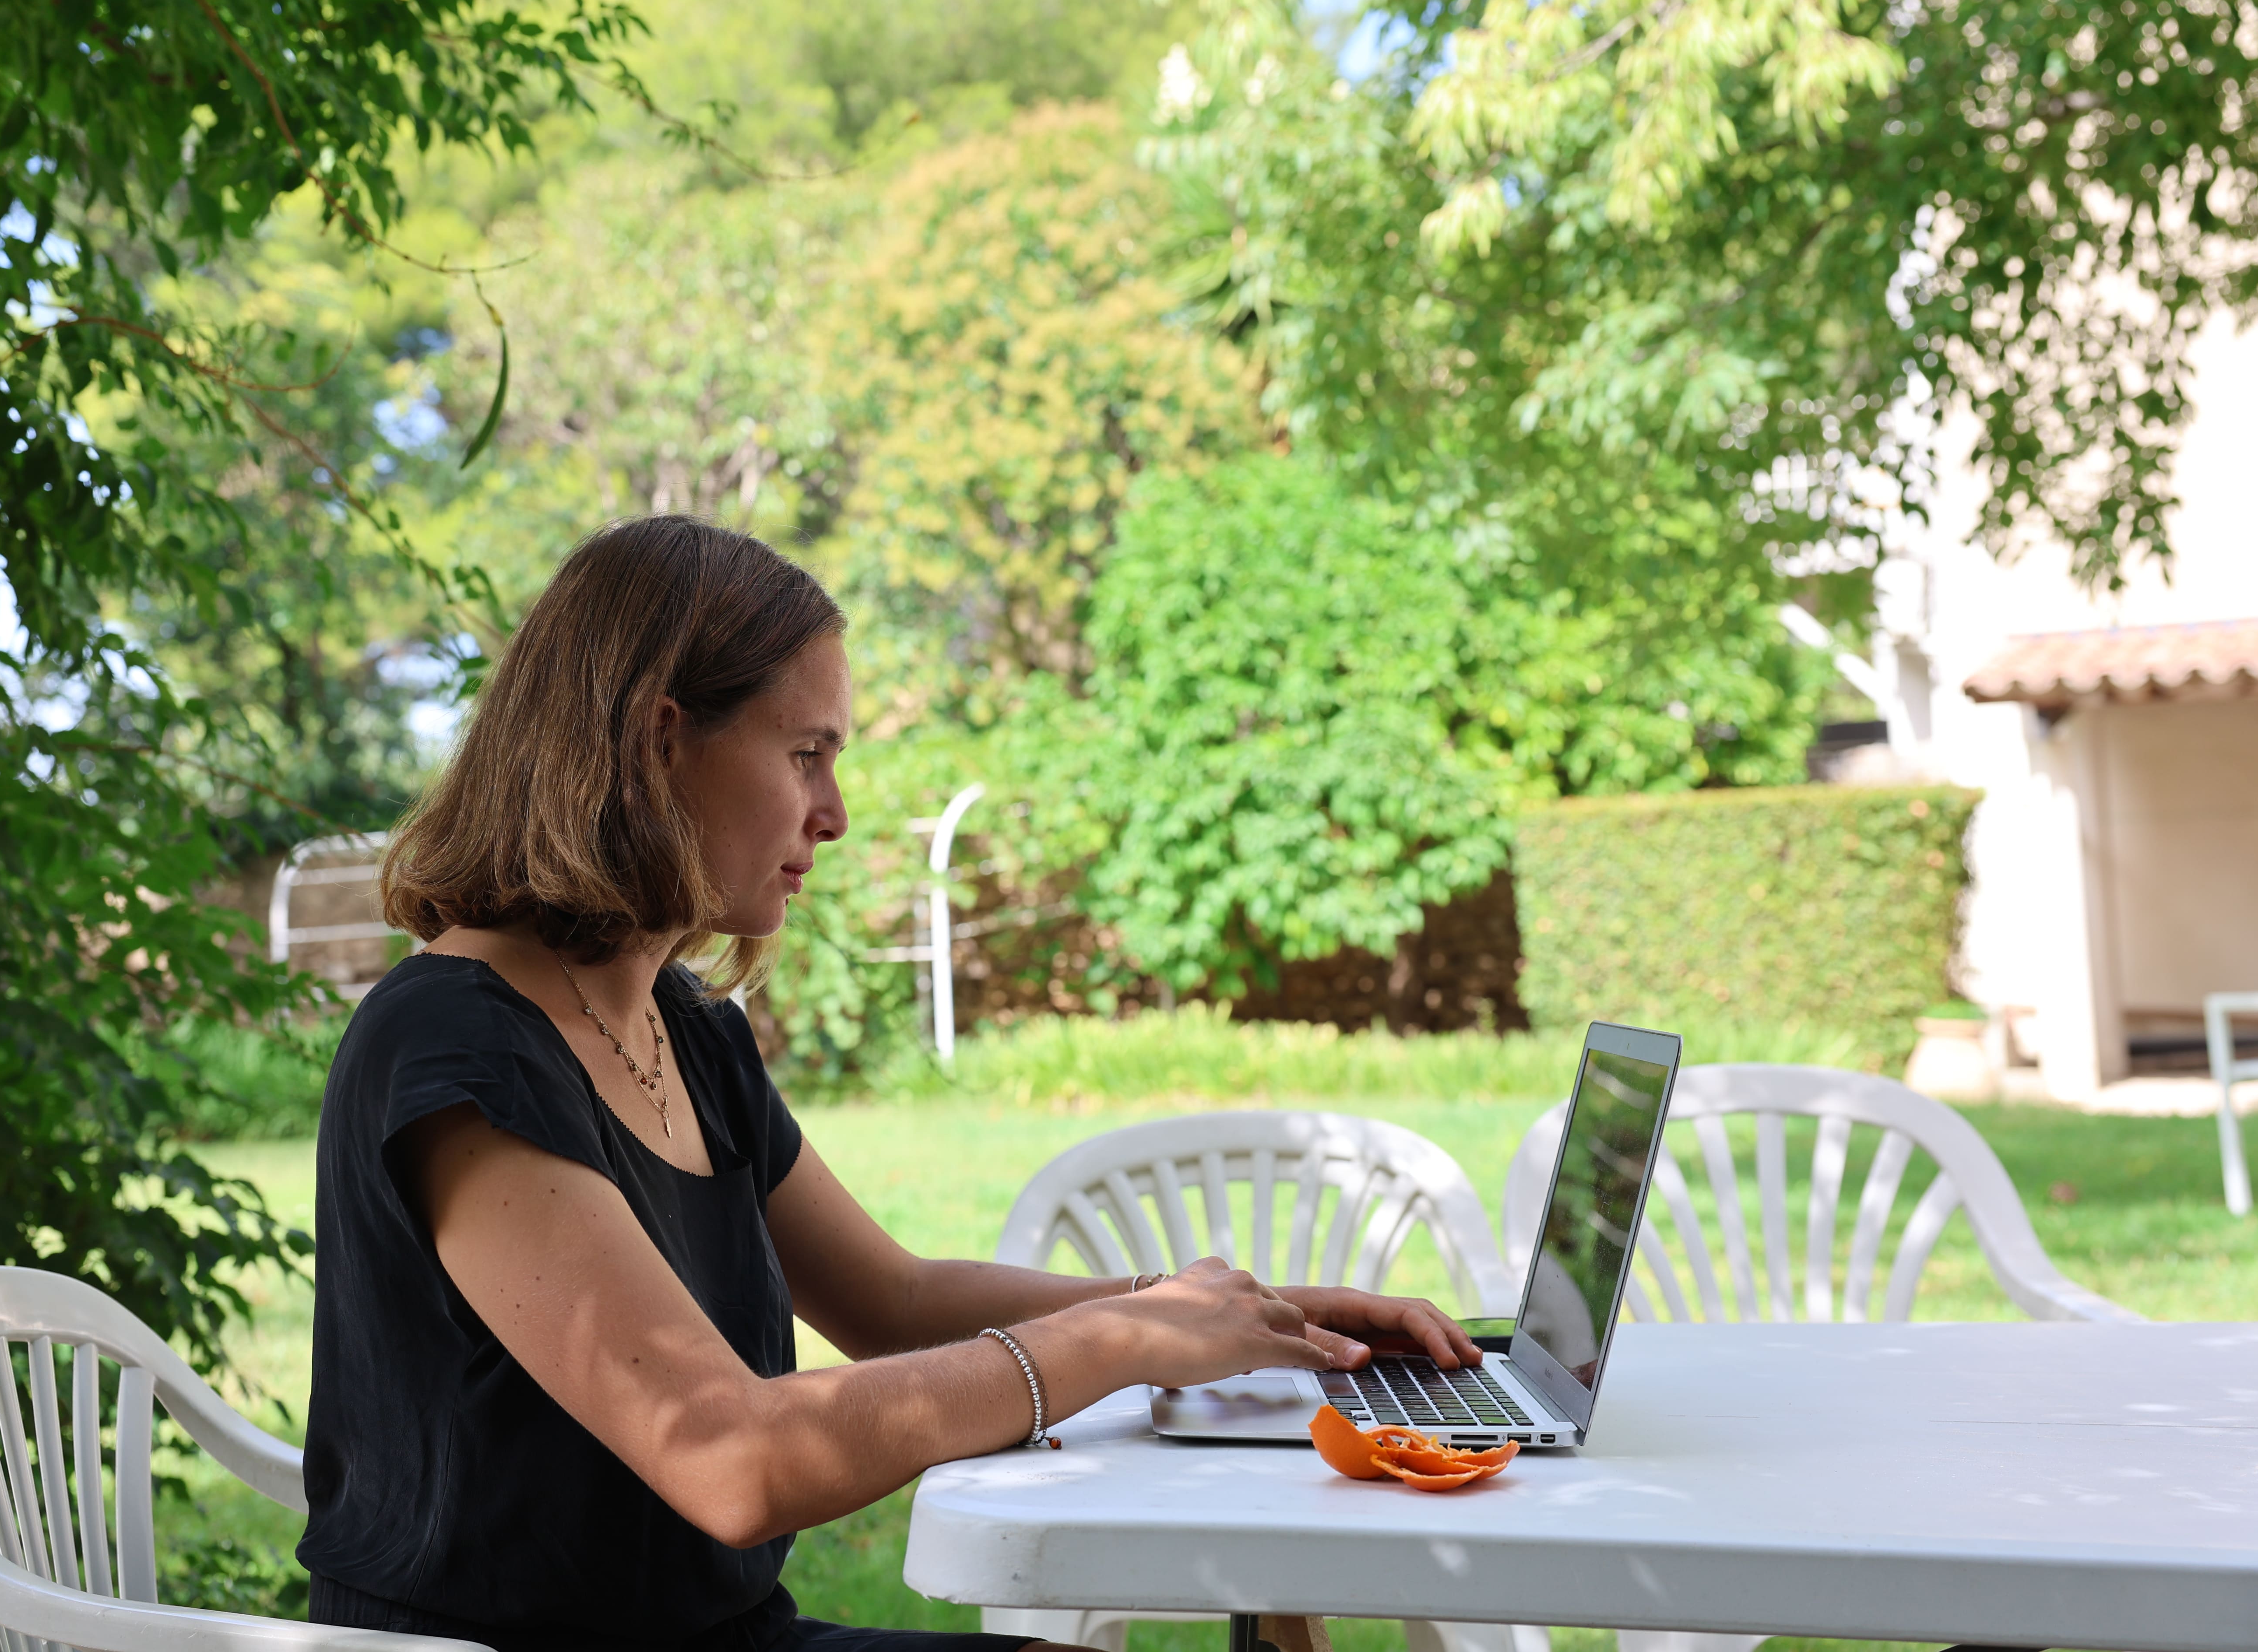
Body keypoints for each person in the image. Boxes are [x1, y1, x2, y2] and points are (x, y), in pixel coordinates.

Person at [298, 516, 1483, 1652]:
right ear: (660, 743)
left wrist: (1235, 1317)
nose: (837, 813)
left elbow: (899, 1302)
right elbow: (729, 1458)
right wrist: (1124, 1339)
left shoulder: (684, 1032)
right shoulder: (452, 1049)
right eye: (806, 754)